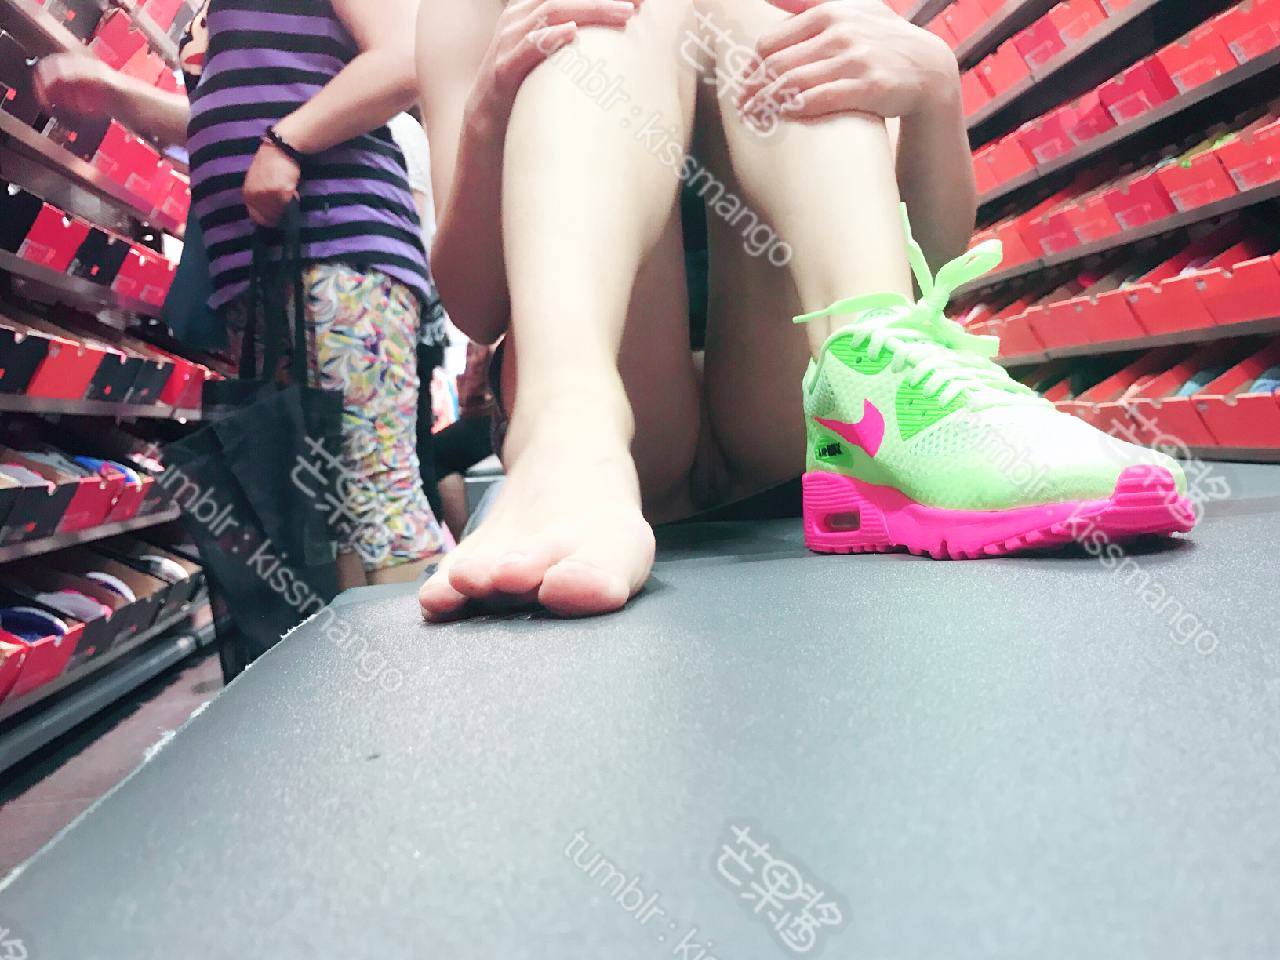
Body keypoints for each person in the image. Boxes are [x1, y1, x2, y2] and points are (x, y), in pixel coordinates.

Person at [415, 0, 1194, 622]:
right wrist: (490, 111)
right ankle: (566, 430)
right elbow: (478, 308)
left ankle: (880, 373)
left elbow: (924, 258)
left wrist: (934, 93)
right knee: (598, 24)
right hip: (622, 418)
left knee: (778, 23)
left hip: (791, 420)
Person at [37, 0, 449, 590]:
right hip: (274, 270)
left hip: (336, 249)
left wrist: (287, 143)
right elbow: (227, 115)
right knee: (324, 509)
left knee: (373, 494)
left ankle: (410, 650)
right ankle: (363, 649)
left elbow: (406, 56)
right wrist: (116, 92)